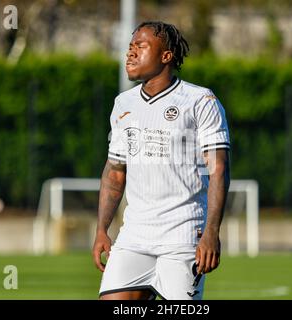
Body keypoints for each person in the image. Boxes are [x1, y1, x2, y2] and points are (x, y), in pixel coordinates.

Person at [92, 21, 231, 300]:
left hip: (183, 238)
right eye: (130, 47)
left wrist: (211, 232)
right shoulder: (123, 104)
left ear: (166, 56)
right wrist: (101, 229)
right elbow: (115, 171)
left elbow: (218, 170)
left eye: (140, 47)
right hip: (134, 237)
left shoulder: (200, 101)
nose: (130, 53)